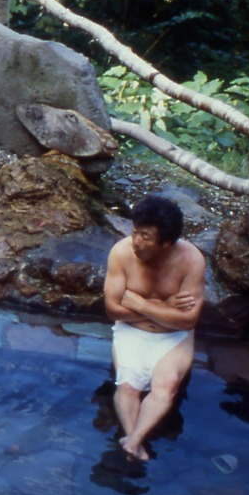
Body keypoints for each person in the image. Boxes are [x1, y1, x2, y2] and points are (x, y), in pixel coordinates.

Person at [104, 194, 204, 461]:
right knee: (128, 386)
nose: (136, 241)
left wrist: (141, 303)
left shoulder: (191, 260)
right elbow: (113, 309)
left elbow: (188, 321)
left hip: (173, 337)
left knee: (166, 386)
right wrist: (165, 307)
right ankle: (134, 442)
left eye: (146, 237)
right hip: (131, 332)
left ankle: (133, 442)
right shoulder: (122, 253)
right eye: (135, 232)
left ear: (167, 243)